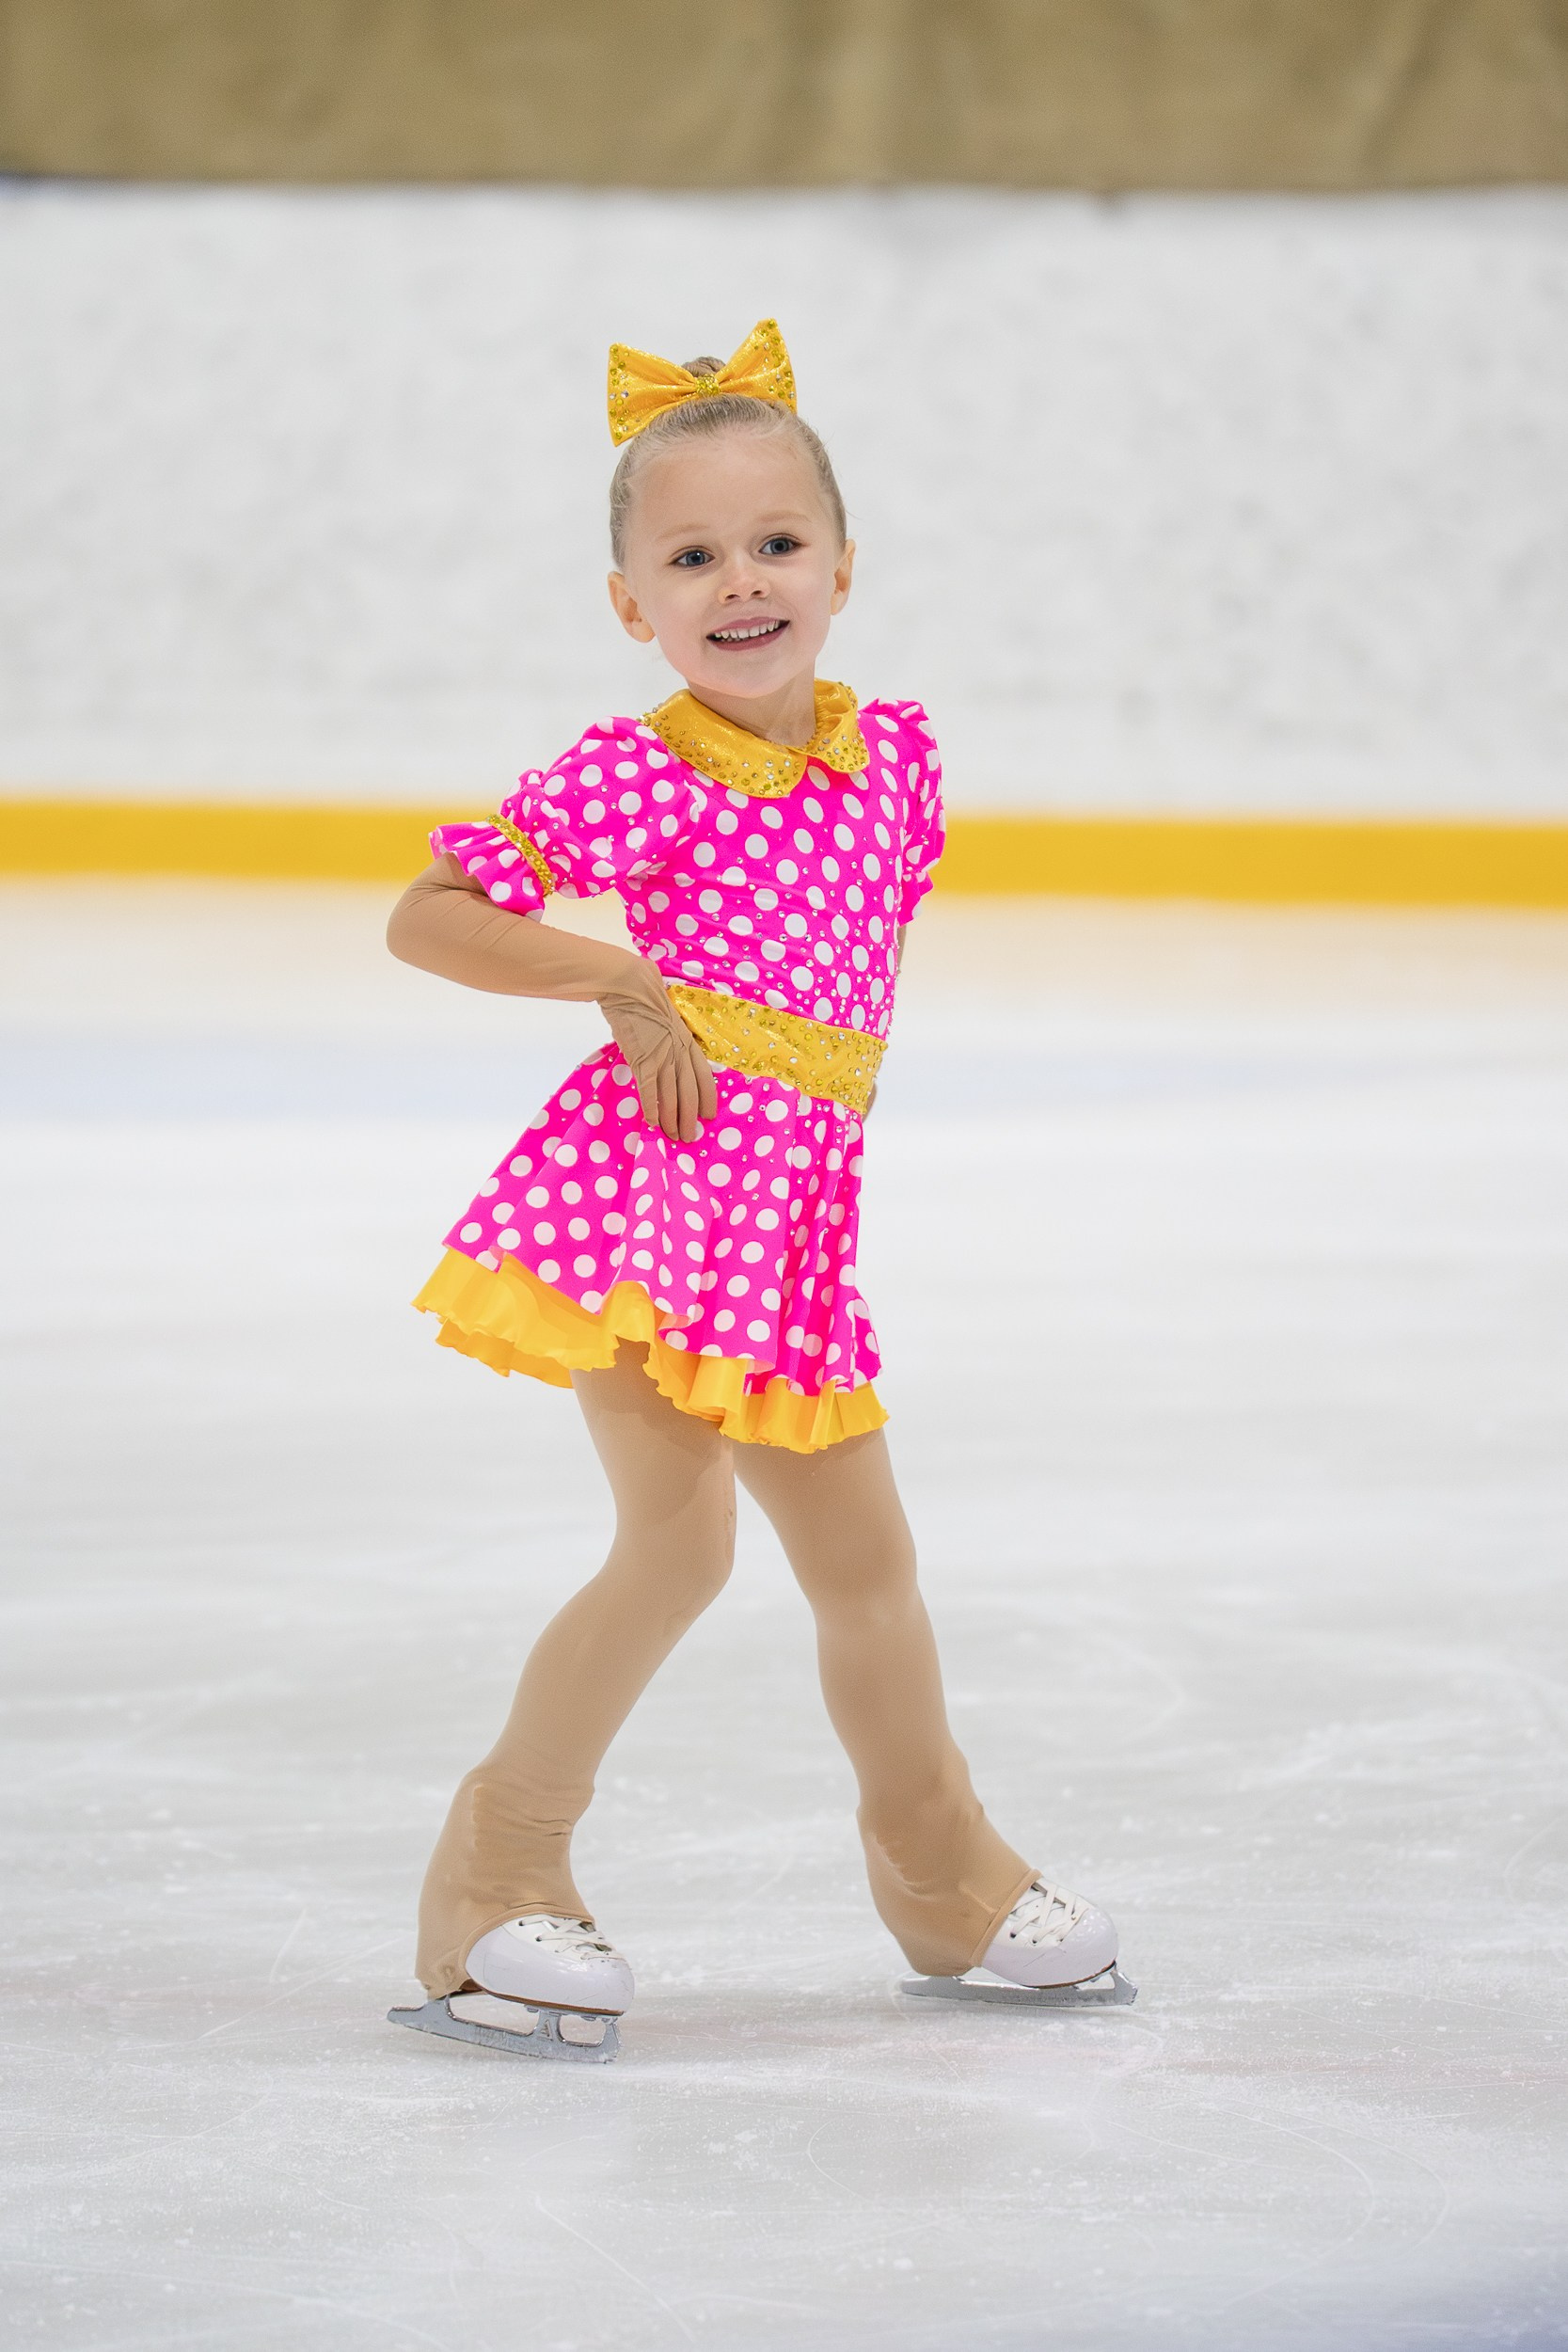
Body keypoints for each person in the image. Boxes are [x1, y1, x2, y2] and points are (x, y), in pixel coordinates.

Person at [386, 321, 1120, 2044]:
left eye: (777, 544)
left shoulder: (898, 764)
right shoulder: (634, 770)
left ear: (845, 567)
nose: (741, 583)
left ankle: (942, 1875)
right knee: (678, 1547)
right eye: (691, 555)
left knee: (870, 1565)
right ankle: (491, 1883)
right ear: (630, 601)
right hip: (647, 1202)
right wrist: (622, 982)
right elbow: (428, 915)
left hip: (792, 1231)